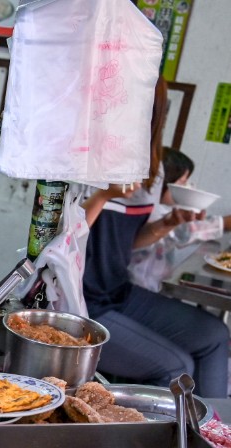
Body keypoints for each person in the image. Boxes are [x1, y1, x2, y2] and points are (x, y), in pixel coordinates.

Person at [82, 78, 229, 397]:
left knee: (215, 335)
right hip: (78, 300)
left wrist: (168, 223)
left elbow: (129, 241)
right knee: (176, 368)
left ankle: (218, 437)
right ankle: (175, 443)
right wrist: (102, 196)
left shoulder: (152, 168)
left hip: (115, 291)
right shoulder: (84, 154)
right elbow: (60, 239)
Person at [128, 147, 231, 291]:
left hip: (152, 285)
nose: (188, 187)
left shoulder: (165, 209)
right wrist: (224, 224)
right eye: (182, 182)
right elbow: (182, 231)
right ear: (163, 182)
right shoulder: (151, 212)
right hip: (136, 287)